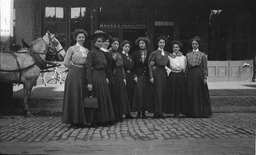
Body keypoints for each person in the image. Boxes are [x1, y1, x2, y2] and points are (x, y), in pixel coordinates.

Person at [86, 30, 116, 126]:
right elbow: (89, 68)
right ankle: (95, 121)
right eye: (98, 41)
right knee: (98, 98)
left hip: (103, 77)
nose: (100, 43)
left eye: (101, 42)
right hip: (95, 77)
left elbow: (106, 66)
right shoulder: (91, 53)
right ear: (94, 42)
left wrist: (106, 77)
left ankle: (104, 119)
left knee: (104, 98)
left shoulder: (102, 53)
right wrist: (89, 82)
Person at [62, 28, 89, 128]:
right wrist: (74, 67)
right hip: (74, 74)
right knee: (74, 95)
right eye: (79, 37)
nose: (81, 39)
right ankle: (73, 121)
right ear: (76, 38)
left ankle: (81, 120)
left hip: (83, 74)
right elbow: (66, 62)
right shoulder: (71, 49)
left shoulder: (86, 50)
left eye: (83, 37)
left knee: (82, 95)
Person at [186, 36, 212, 118]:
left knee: (199, 92)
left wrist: (205, 77)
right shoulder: (188, 54)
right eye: (193, 44)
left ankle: (201, 111)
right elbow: (186, 67)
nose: (194, 45)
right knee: (190, 92)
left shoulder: (202, 55)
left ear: (199, 45)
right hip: (190, 74)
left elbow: (205, 67)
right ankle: (191, 112)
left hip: (199, 74)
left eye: (196, 44)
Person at [109, 38, 133, 121]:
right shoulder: (109, 53)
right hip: (113, 74)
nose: (116, 45)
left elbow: (122, 66)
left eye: (117, 44)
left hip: (119, 74)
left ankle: (124, 112)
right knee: (115, 94)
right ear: (111, 44)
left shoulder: (118, 54)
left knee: (122, 94)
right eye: (114, 44)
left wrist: (124, 77)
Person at [164, 40, 188, 118]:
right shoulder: (169, 57)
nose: (175, 49)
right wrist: (169, 72)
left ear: (179, 48)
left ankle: (180, 110)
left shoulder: (184, 57)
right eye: (174, 47)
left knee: (180, 93)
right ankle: (173, 111)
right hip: (172, 76)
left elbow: (185, 67)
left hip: (181, 76)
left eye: (177, 47)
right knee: (173, 93)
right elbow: (165, 66)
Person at [148, 36, 169, 119]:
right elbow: (150, 65)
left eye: (163, 42)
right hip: (156, 73)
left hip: (164, 73)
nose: (162, 44)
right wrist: (151, 76)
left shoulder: (167, 53)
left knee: (163, 92)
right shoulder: (154, 53)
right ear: (157, 43)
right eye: (160, 42)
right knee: (157, 92)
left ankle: (161, 111)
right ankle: (156, 112)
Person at [132, 37, 151, 119]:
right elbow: (133, 66)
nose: (141, 45)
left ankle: (144, 112)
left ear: (146, 44)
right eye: (140, 43)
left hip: (146, 75)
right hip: (138, 75)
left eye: (143, 43)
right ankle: (138, 112)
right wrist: (135, 75)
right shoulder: (135, 53)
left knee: (145, 94)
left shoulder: (150, 53)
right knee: (138, 94)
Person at [120, 40, 135, 112]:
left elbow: (133, 67)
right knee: (124, 93)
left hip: (130, 76)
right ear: (122, 47)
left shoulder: (130, 56)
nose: (127, 48)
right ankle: (124, 110)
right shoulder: (120, 56)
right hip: (124, 75)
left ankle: (129, 111)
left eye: (128, 47)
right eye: (125, 46)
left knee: (130, 92)